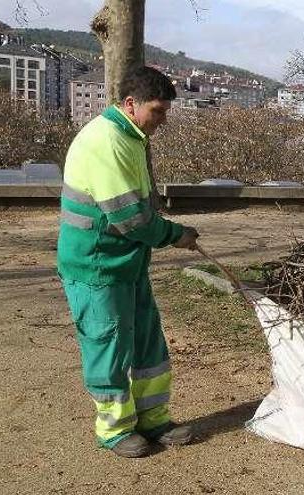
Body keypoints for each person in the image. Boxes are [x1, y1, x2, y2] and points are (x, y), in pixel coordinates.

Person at [58, 66, 199, 457]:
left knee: (147, 342)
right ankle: (115, 429)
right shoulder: (107, 141)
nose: (163, 120)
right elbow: (130, 218)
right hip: (97, 266)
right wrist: (176, 234)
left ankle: (153, 419)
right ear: (131, 104)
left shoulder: (130, 135)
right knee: (110, 346)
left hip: (126, 262)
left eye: (166, 111)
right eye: (158, 111)